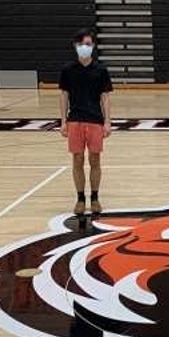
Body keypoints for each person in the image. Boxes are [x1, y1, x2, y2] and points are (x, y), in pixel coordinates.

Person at [59, 29, 114, 217]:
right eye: (82, 44)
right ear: (75, 46)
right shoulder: (68, 70)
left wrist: (107, 121)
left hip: (95, 121)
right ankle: (81, 198)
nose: (85, 47)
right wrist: (63, 121)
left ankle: (95, 197)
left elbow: (105, 97)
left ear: (93, 46)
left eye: (88, 44)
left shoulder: (101, 71)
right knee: (77, 160)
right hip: (75, 120)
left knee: (95, 160)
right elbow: (64, 95)